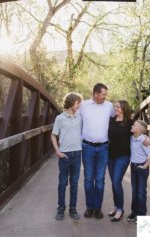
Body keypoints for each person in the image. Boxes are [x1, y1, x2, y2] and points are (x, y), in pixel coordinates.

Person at [108, 101, 150, 222]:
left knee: (116, 181)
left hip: (124, 156)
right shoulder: (110, 120)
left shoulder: (130, 123)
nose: (115, 108)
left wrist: (148, 138)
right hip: (110, 155)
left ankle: (120, 210)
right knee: (113, 183)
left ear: (124, 109)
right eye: (115, 106)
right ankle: (116, 206)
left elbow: (141, 131)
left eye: (118, 107)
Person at [80, 83, 115, 219]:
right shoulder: (83, 106)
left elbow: (119, 117)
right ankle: (89, 207)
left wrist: (140, 134)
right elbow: (72, 118)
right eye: (103, 94)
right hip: (87, 147)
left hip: (103, 148)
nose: (105, 97)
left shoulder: (109, 106)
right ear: (95, 94)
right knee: (88, 179)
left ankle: (98, 208)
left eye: (106, 94)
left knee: (100, 179)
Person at [51, 92, 82, 221]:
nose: (79, 105)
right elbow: (53, 135)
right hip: (64, 155)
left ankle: (73, 209)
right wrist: (57, 151)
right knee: (63, 182)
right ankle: (61, 208)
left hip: (77, 153)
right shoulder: (60, 118)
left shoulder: (80, 117)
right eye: (77, 102)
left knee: (74, 183)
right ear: (70, 103)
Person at [127, 120, 150, 224]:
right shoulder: (131, 137)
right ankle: (134, 212)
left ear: (138, 130)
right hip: (133, 167)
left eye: (134, 125)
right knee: (134, 192)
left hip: (141, 169)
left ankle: (142, 215)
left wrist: (144, 166)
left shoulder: (143, 140)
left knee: (141, 193)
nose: (132, 125)